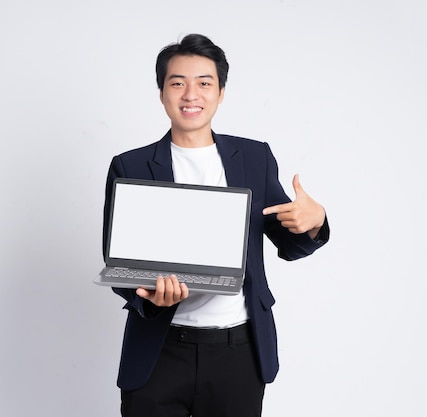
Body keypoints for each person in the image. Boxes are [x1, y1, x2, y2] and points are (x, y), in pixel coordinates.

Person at [102, 33, 330, 417]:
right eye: (178, 83)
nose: (191, 94)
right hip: (160, 351)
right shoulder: (131, 165)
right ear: (162, 93)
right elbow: (118, 261)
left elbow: (288, 243)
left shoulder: (254, 158)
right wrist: (152, 300)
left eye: (204, 83)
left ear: (221, 93)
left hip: (237, 353)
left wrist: (314, 222)